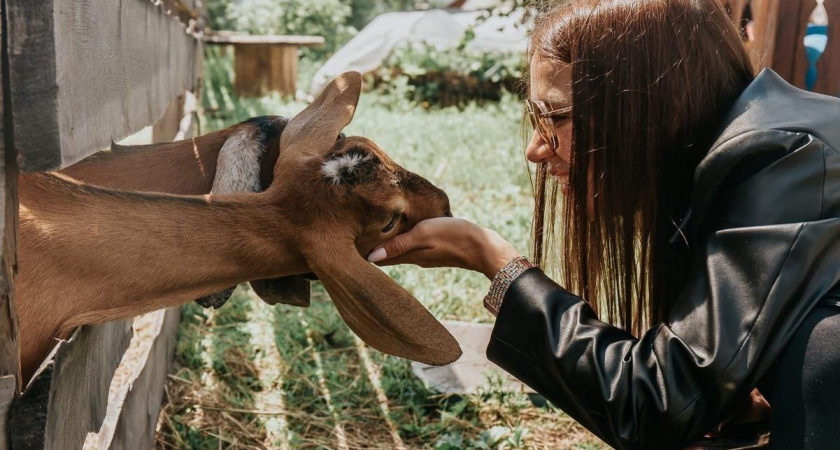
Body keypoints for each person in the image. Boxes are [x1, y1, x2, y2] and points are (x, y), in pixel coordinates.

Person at [365, 0, 840, 448]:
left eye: (553, 117)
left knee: (822, 351)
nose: (535, 150)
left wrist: (494, 261)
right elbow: (688, 386)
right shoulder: (729, 155)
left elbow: (657, 403)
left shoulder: (784, 157)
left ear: (649, 104)